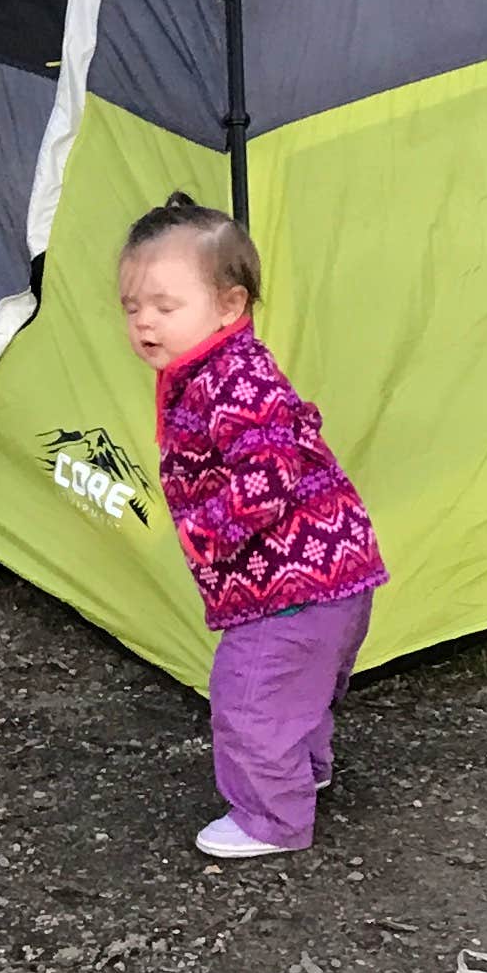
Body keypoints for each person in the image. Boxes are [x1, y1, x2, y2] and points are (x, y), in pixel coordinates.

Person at [118, 192, 385, 861]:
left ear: (229, 306)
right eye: (132, 307)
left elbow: (269, 476)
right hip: (334, 570)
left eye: (165, 306)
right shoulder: (210, 371)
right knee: (302, 687)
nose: (144, 322)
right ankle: (304, 771)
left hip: (295, 584)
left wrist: (202, 533)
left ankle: (273, 817)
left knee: (248, 699)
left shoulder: (234, 380)